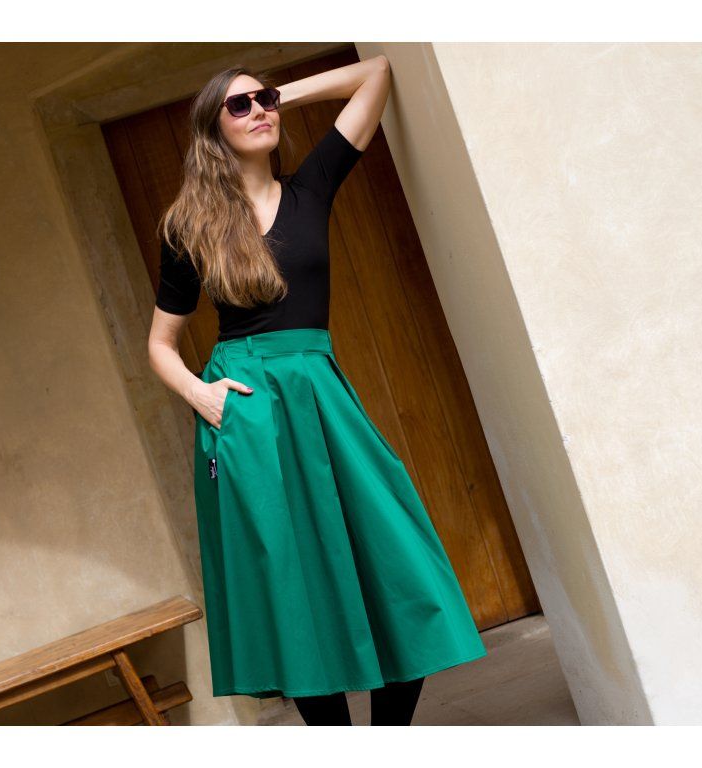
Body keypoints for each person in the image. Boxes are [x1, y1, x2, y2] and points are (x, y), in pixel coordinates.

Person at [146, 57, 487, 726]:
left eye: (263, 100)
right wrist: (201, 396)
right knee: (287, 589)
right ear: (212, 130)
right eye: (239, 105)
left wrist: (282, 95)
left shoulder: (311, 187)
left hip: (320, 393)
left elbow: (377, 74)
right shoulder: (188, 227)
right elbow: (160, 343)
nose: (258, 111)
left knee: (400, 565)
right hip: (245, 408)